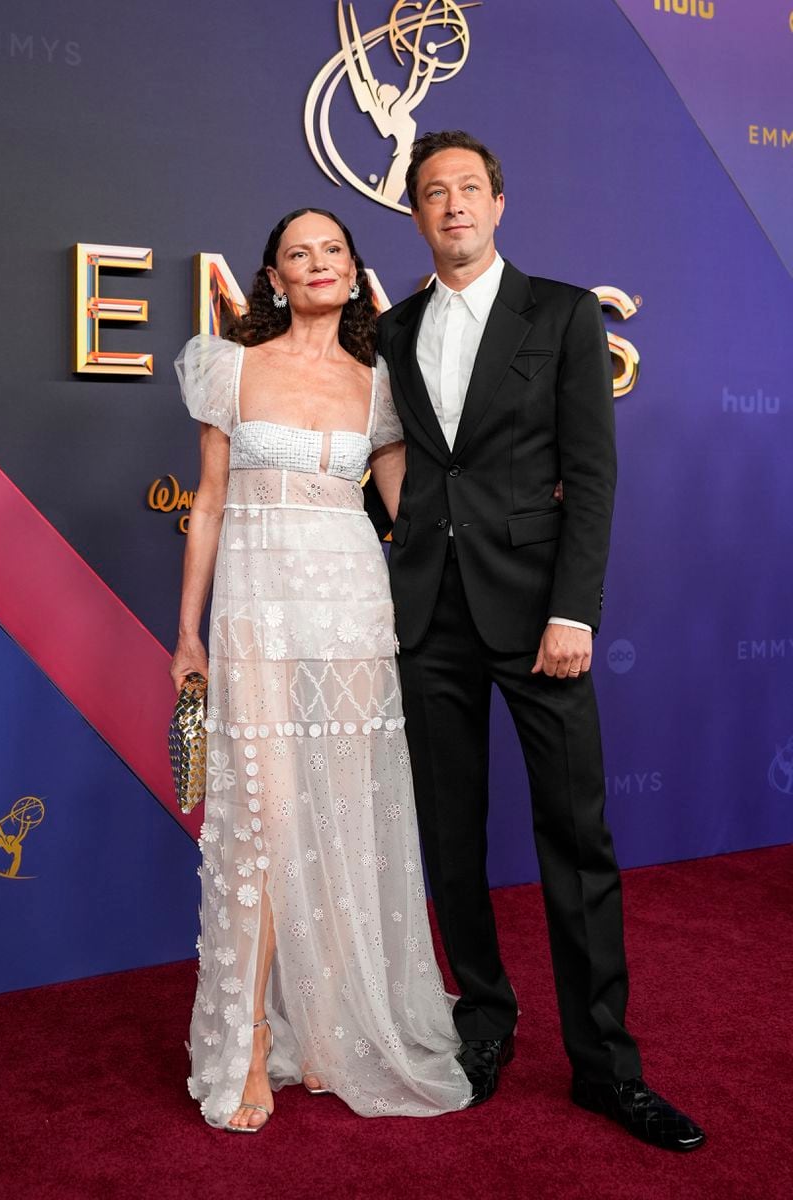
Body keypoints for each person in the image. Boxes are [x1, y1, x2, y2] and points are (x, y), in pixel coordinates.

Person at [373, 130, 706, 1152]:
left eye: (468, 189)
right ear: (417, 214)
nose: (452, 206)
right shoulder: (394, 328)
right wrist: (403, 545)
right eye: (433, 193)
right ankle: (481, 1025)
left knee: (575, 841)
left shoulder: (561, 313)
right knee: (452, 842)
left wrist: (575, 611)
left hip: (537, 620)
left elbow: (590, 476)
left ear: (498, 203)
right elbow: (394, 459)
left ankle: (604, 1066)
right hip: (429, 618)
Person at [171, 208, 471, 1130]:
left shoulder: (381, 383)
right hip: (257, 616)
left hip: (351, 615)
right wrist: (190, 635)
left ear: (352, 270)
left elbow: (407, 511)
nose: (317, 264)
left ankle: (336, 1035)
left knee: (343, 815)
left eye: (332, 251)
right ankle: (252, 1046)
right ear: (271, 275)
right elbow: (211, 505)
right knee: (261, 824)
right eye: (297, 253)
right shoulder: (228, 367)